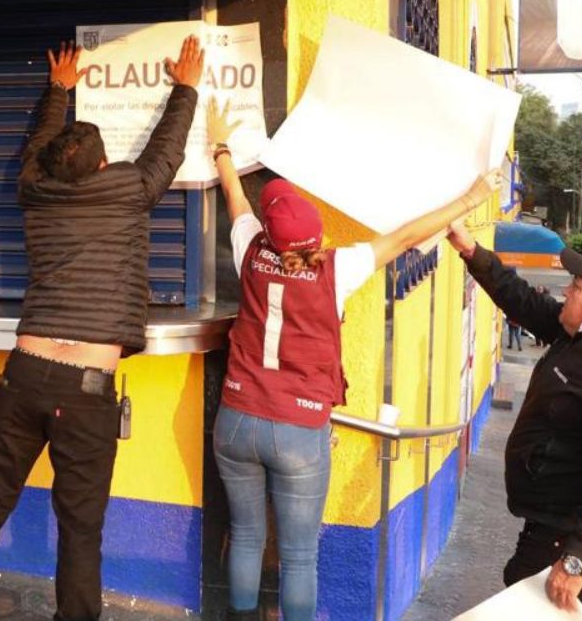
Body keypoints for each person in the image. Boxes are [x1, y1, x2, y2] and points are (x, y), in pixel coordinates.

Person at [0, 37, 204, 621]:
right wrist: (184, 85)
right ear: (103, 164)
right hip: (84, 387)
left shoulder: (33, 189)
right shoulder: (129, 189)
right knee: (81, 528)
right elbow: (167, 152)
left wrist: (58, 89)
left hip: (24, 374)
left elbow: (36, 147)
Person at [208, 99, 495, 621]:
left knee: (246, 535)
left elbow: (234, 193)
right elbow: (408, 236)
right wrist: (469, 198)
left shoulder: (249, 248)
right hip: (297, 427)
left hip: (235, 417)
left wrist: (221, 144)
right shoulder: (338, 269)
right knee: (299, 556)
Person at [445, 223, 582, 621]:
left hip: (578, 534)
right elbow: (528, 305)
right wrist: (473, 253)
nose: (566, 291)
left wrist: (579, 559)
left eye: (577, 287)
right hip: (561, 524)